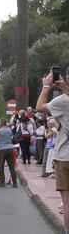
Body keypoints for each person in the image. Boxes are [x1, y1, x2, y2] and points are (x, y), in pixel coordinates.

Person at [38, 68, 69, 233]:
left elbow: (40, 107)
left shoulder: (63, 101)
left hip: (65, 157)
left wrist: (46, 86)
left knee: (67, 201)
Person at [0, 123, 18, 187]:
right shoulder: (9, 130)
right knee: (11, 166)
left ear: (1, 123)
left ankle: (2, 182)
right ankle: (15, 183)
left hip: (2, 149)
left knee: (1, 166)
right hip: (10, 148)